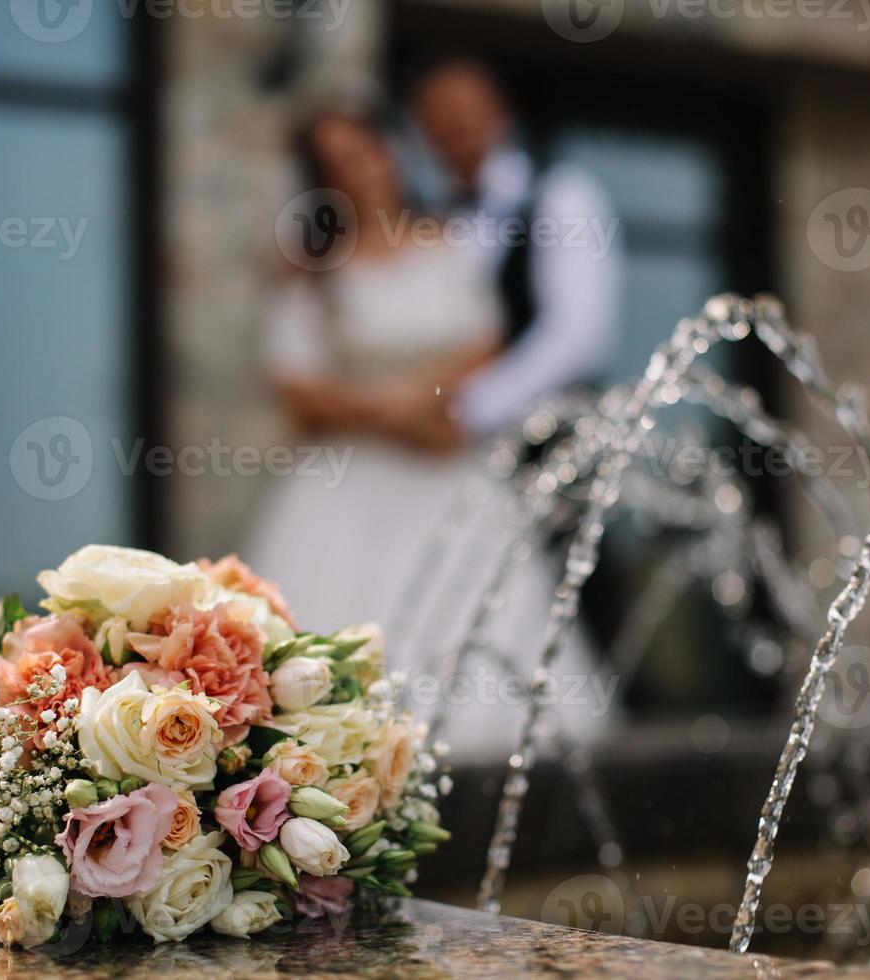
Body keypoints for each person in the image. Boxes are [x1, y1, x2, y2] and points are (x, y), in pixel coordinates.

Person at [248, 109, 619, 759]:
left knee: (478, 619)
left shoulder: (445, 244)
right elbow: (297, 386)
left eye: (364, 152)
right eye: (336, 164)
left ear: (389, 153)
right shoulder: (313, 271)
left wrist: (428, 404)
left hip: (446, 468)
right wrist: (389, 415)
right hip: (346, 482)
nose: (356, 171)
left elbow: (484, 345)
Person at [409, 56, 619, 440]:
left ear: (501, 114)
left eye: (465, 107)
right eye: (438, 112)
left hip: (550, 441)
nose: (454, 122)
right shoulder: (431, 224)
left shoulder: (562, 195)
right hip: (441, 447)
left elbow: (577, 334)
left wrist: (468, 411)